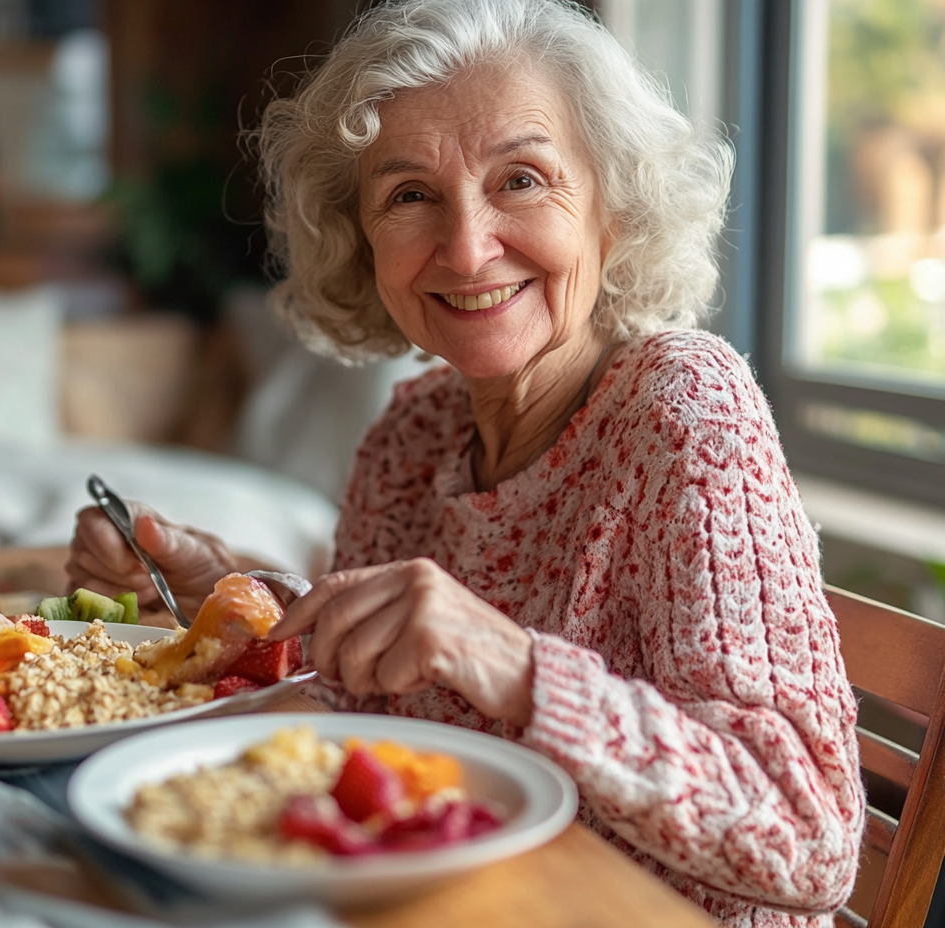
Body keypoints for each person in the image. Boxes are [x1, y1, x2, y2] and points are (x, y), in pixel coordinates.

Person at [67, 1, 863, 923]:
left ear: (614, 209)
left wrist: (517, 665)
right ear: (361, 241)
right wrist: (240, 596)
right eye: (409, 195)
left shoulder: (684, 412)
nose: (467, 246)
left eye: (521, 179)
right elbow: (372, 689)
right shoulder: (414, 431)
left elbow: (810, 837)